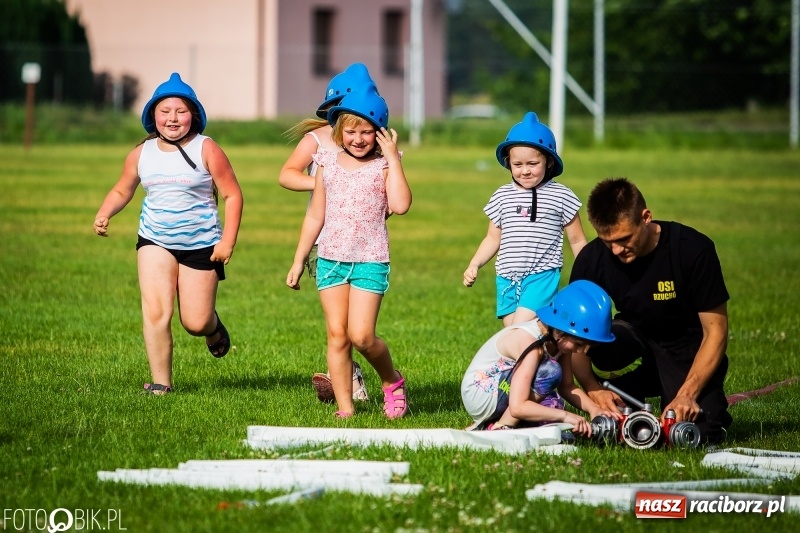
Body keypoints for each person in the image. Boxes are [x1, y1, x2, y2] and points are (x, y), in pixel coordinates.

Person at [93, 72, 243, 395]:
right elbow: (123, 189)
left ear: (194, 115)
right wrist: (105, 212)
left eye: (180, 111)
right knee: (157, 311)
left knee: (196, 321)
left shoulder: (207, 148)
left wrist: (227, 240)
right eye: (165, 111)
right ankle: (161, 383)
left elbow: (232, 195)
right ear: (153, 116)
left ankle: (213, 328)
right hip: (154, 240)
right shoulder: (141, 154)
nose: (172, 118)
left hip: (202, 243)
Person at [569, 177, 732, 444]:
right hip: (631, 335)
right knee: (601, 343)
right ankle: (622, 391)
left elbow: (716, 331)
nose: (617, 249)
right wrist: (592, 388)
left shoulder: (693, 249)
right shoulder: (592, 258)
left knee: (696, 435)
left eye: (624, 239)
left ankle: (688, 393)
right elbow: (573, 334)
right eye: (607, 241)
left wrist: (688, 394)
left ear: (645, 217)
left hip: (684, 346)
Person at [285, 86, 412, 419]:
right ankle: (346, 408)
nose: (359, 139)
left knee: (362, 335)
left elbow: (400, 205)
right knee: (337, 335)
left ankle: (392, 381)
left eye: (368, 132)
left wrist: (393, 157)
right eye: (351, 131)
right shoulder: (327, 162)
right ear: (338, 131)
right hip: (330, 260)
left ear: (381, 132)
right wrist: (299, 260)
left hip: (370, 260)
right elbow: (316, 215)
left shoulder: (385, 164)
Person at [278, 63, 377, 404]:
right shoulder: (318, 138)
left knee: (356, 325)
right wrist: (326, 185)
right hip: (324, 241)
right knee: (338, 325)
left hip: (364, 245)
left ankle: (350, 378)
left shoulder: (372, 140)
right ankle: (350, 383)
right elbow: (287, 174)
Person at [463, 112, 587, 326]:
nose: (525, 171)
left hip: (542, 276)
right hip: (506, 279)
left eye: (532, 163)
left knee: (519, 330)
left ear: (548, 161)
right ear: (508, 162)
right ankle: (549, 354)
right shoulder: (501, 195)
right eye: (517, 164)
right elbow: (492, 239)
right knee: (514, 335)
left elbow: (577, 240)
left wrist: (588, 272)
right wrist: (474, 264)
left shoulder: (562, 196)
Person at [461, 280, 621, 436]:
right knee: (550, 372)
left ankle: (515, 424)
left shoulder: (559, 343)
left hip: (502, 391)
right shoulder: (532, 345)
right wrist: (566, 417)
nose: (582, 351)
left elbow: (567, 386)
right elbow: (518, 407)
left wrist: (593, 409)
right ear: (560, 331)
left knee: (554, 404)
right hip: (482, 393)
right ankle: (501, 427)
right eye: (579, 344)